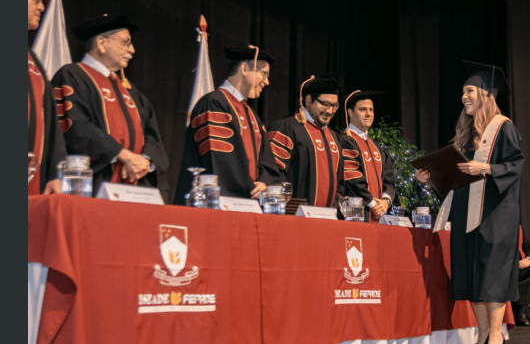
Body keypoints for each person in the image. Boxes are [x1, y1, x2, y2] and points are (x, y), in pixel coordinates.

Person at [416, 61, 523, 344]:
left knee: (492, 276)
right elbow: (455, 177)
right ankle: (482, 333)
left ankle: (497, 338)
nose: (464, 97)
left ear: (487, 94)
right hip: (465, 213)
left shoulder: (504, 128)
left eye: (470, 91)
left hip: (495, 214)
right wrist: (432, 177)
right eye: (462, 92)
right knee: (472, 276)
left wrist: (485, 167)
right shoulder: (466, 134)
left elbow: (515, 164)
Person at [51, 14, 168, 194]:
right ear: (102, 43)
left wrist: (143, 161)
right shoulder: (73, 75)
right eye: (125, 43)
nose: (132, 50)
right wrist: (122, 154)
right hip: (92, 183)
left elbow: (151, 134)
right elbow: (77, 126)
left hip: (133, 186)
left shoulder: (130, 90)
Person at [174, 47, 279, 204]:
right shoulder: (214, 103)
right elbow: (221, 162)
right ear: (244, 68)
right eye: (263, 73)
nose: (267, 81)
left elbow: (267, 162)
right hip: (214, 203)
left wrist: (264, 184)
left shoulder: (253, 116)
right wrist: (250, 189)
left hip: (247, 203)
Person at [265, 73, 345, 208]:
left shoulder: (334, 138)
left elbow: (340, 183)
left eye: (335, 105)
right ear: (308, 100)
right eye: (325, 104)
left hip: (328, 219)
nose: (331, 111)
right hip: (293, 217)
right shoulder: (286, 128)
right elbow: (272, 174)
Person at [28, 0, 66, 195]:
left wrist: (54, 174)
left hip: (34, 182)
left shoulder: (33, 62)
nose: (42, 7)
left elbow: (51, 125)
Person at [339, 90, 397, 222]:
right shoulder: (345, 141)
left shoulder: (377, 147)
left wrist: (385, 202)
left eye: (371, 110)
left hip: (377, 215)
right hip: (355, 214)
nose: (368, 114)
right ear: (350, 112)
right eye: (363, 109)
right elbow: (352, 178)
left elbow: (389, 180)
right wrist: (373, 204)